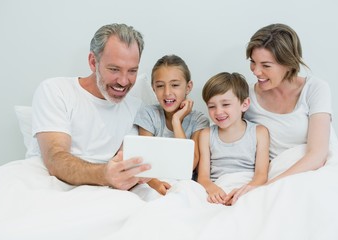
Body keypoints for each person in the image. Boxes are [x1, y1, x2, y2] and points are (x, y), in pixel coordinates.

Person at [28, 23, 151, 190]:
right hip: (49, 184)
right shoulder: (56, 90)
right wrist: (104, 175)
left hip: (107, 191)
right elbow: (55, 159)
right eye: (114, 69)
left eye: (132, 71)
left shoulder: (136, 107)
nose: (123, 81)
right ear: (93, 62)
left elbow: (125, 163)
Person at [244, 23, 335, 184]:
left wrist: (270, 186)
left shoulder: (315, 89)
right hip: (273, 172)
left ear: (288, 64)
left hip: (311, 171)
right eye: (253, 62)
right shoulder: (246, 96)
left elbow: (318, 155)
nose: (256, 71)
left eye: (266, 65)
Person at [133, 54, 210, 196]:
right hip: (152, 182)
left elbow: (189, 164)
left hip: (184, 183)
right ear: (153, 88)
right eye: (160, 86)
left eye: (175, 85)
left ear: (188, 87)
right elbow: (143, 161)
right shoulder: (149, 115)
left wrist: (176, 121)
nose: (167, 93)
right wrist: (155, 183)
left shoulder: (199, 120)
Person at [197, 72, 270, 205]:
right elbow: (203, 177)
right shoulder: (206, 135)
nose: (218, 112)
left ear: (244, 104)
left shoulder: (259, 132)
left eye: (225, 104)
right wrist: (214, 190)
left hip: (246, 186)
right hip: (218, 189)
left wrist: (244, 191)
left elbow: (261, 175)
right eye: (212, 106)